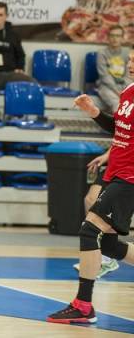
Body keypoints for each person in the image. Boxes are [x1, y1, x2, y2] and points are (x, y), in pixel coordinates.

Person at [47, 88, 134, 324]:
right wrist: (94, 112)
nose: (130, 68)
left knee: (90, 230)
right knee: (107, 244)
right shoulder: (128, 91)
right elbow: (120, 129)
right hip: (116, 172)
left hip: (129, 178)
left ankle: (83, 306)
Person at [72, 148, 120, 279]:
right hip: (117, 161)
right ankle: (103, 256)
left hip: (128, 166)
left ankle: (106, 257)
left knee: (113, 205)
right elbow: (121, 138)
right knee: (90, 200)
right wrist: (107, 155)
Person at [97, 25, 132, 112]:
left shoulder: (127, 53)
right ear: (108, 37)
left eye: (118, 36)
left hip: (124, 86)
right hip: (106, 87)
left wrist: (125, 89)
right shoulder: (102, 53)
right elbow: (105, 76)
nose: (115, 39)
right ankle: (118, 121)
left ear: (122, 38)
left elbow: (129, 75)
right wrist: (117, 91)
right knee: (117, 103)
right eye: (112, 35)